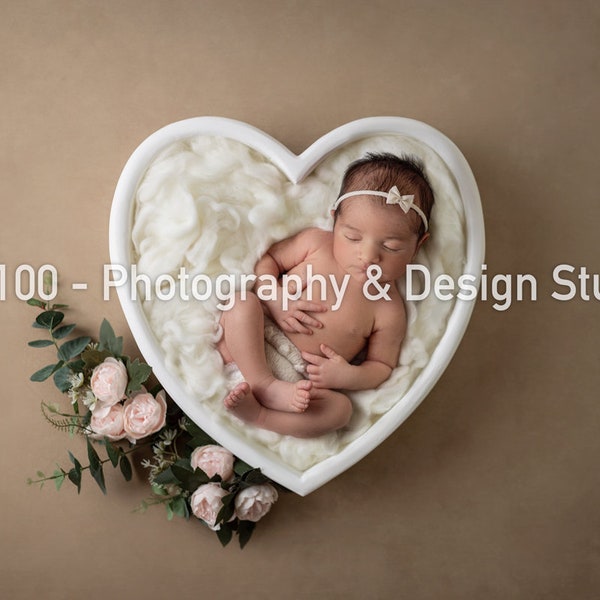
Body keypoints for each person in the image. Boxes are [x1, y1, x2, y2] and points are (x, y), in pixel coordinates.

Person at [216, 152, 434, 438]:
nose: (368, 256)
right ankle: (263, 385)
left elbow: (381, 366)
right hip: (255, 339)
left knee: (340, 411)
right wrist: (275, 297)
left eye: (391, 247)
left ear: (418, 246)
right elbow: (267, 262)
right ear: (334, 221)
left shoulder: (389, 309)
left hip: (299, 383)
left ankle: (260, 415)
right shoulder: (316, 243)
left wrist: (348, 375)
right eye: (353, 237)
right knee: (241, 303)